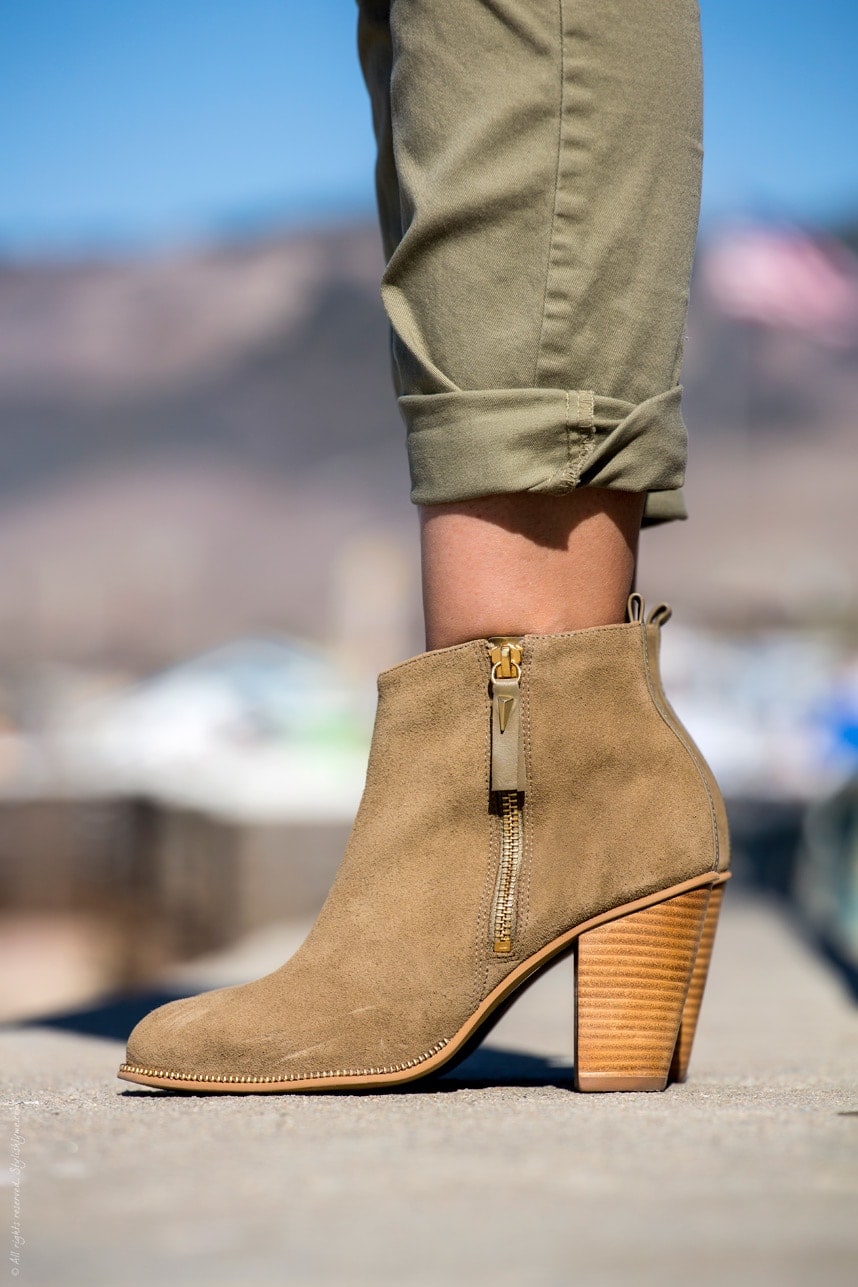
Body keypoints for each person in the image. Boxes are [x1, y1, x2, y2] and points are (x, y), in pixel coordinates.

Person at [119, 0, 729, 1094]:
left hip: (509, 745)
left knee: (493, 20)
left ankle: (542, 719)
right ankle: (603, 799)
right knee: (416, 28)